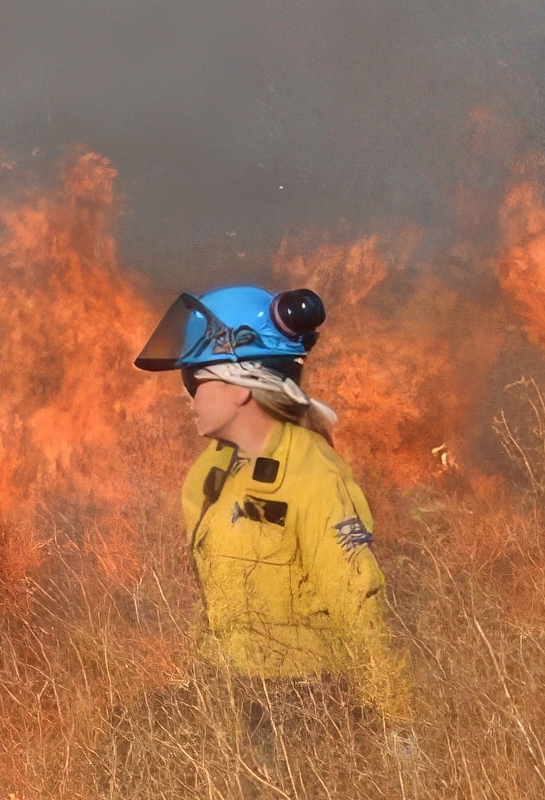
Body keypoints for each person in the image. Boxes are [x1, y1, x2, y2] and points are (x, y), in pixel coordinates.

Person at [135, 285, 415, 740]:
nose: (187, 397)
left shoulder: (315, 475)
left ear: (242, 387)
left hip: (303, 705)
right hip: (224, 686)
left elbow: (358, 604)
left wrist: (397, 724)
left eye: (194, 381)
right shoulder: (210, 470)